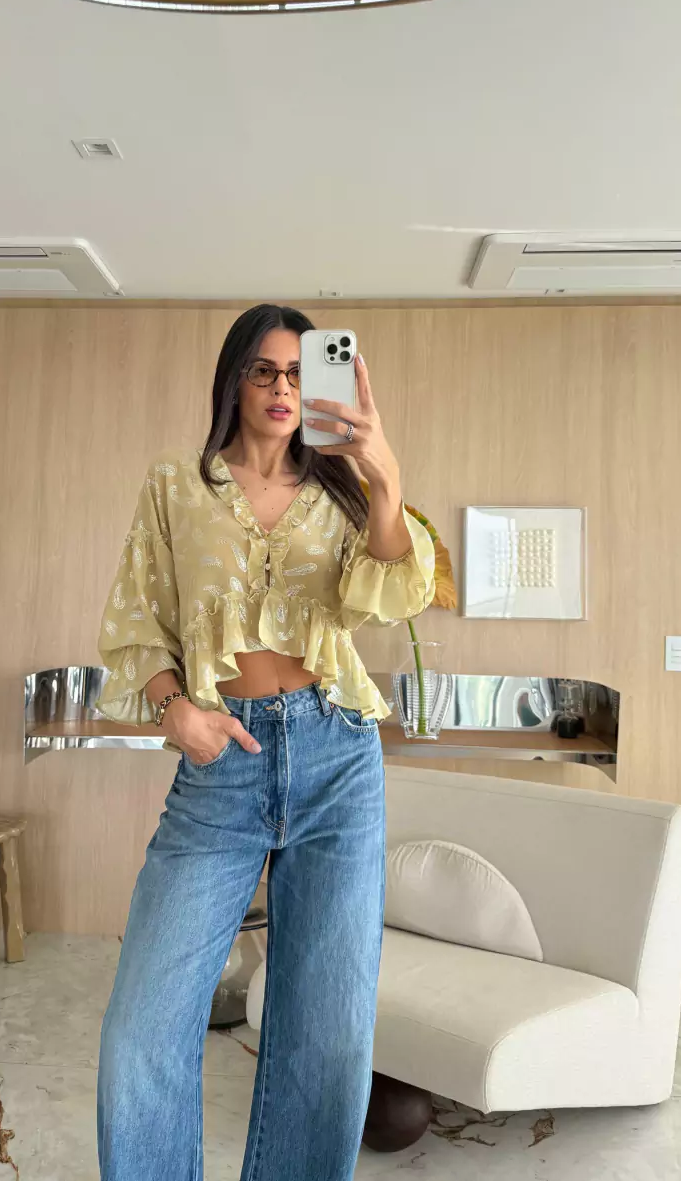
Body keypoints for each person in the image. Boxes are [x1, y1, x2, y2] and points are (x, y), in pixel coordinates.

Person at [95, 302, 435, 1181]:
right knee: (143, 1022)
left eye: (299, 372)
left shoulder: (340, 493)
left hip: (336, 758)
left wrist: (383, 474)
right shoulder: (177, 486)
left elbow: (392, 594)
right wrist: (174, 707)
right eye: (264, 369)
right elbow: (137, 620)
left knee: (326, 1031)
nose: (283, 387)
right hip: (222, 764)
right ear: (234, 379)